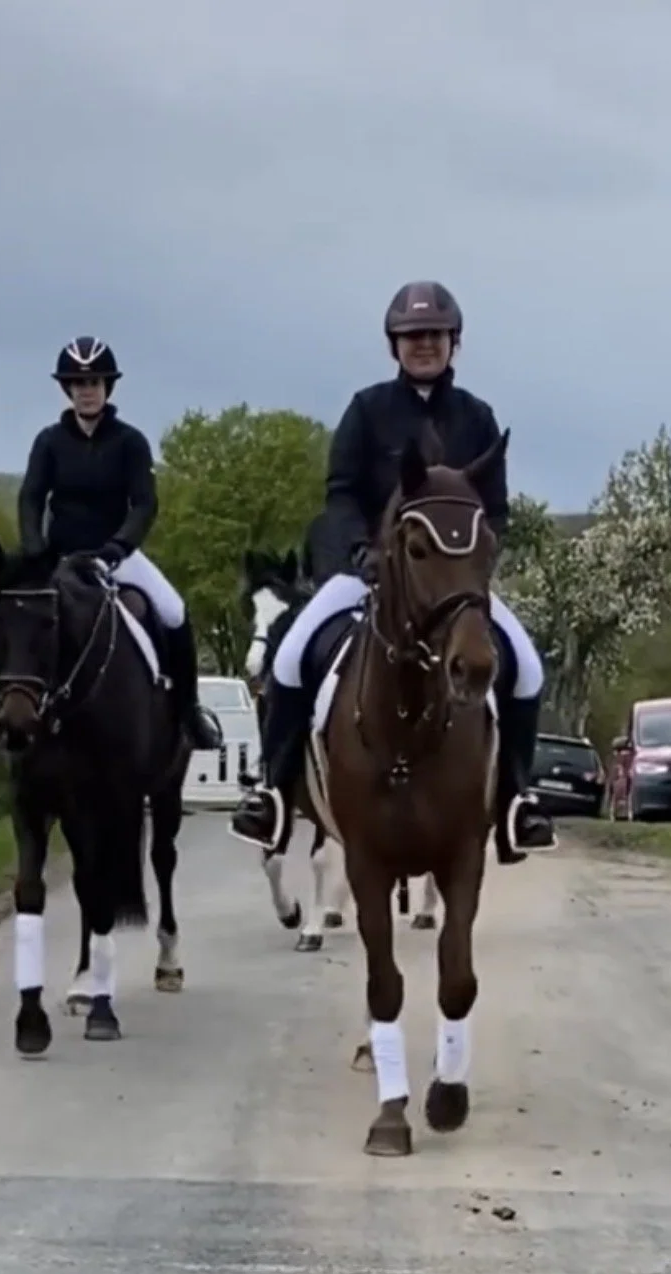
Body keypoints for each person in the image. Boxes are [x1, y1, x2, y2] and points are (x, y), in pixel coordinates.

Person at [229, 281, 555, 864]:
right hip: (368, 573)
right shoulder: (366, 409)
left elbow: (495, 509)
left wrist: (473, 563)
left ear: (454, 342)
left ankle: (516, 801)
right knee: (288, 656)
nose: (423, 346)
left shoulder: (476, 417)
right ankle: (274, 793)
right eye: (411, 337)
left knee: (526, 668)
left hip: (452, 585)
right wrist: (359, 550)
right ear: (394, 346)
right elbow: (341, 493)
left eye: (433, 336)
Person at [0, 336, 223, 751]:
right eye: (79, 383)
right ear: (68, 390)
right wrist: (34, 548)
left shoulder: (130, 442)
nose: (87, 390)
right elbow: (31, 496)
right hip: (58, 557)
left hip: (115, 556)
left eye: (95, 382)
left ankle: (188, 712)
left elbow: (143, 503)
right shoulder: (49, 442)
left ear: (107, 388)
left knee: (175, 612)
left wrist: (117, 548)